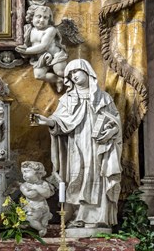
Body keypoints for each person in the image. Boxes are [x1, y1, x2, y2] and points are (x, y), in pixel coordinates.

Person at [33, 59, 122, 228]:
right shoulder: (67, 99)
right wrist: (47, 122)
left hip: (98, 146)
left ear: (87, 71)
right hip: (76, 146)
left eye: (76, 71)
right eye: (70, 74)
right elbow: (59, 121)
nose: (73, 76)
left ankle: (98, 218)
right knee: (78, 177)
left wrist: (110, 132)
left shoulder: (103, 97)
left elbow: (115, 121)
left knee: (97, 176)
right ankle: (78, 216)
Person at [15, 5, 68, 90]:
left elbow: (44, 46)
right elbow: (27, 43)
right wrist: (23, 47)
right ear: (32, 17)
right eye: (38, 16)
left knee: (60, 72)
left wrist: (26, 51)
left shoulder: (50, 30)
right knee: (38, 75)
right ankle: (57, 80)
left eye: (45, 17)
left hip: (55, 56)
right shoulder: (29, 30)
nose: (42, 20)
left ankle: (77, 79)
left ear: (49, 20)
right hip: (41, 58)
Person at [20, 161, 53, 236]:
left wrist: (36, 187)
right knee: (24, 220)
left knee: (30, 219)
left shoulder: (44, 184)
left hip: (41, 207)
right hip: (29, 208)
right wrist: (38, 190)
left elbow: (47, 194)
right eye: (23, 172)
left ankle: (41, 229)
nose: (24, 175)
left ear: (38, 172)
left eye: (26, 171)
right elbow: (29, 195)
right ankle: (32, 228)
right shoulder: (24, 185)